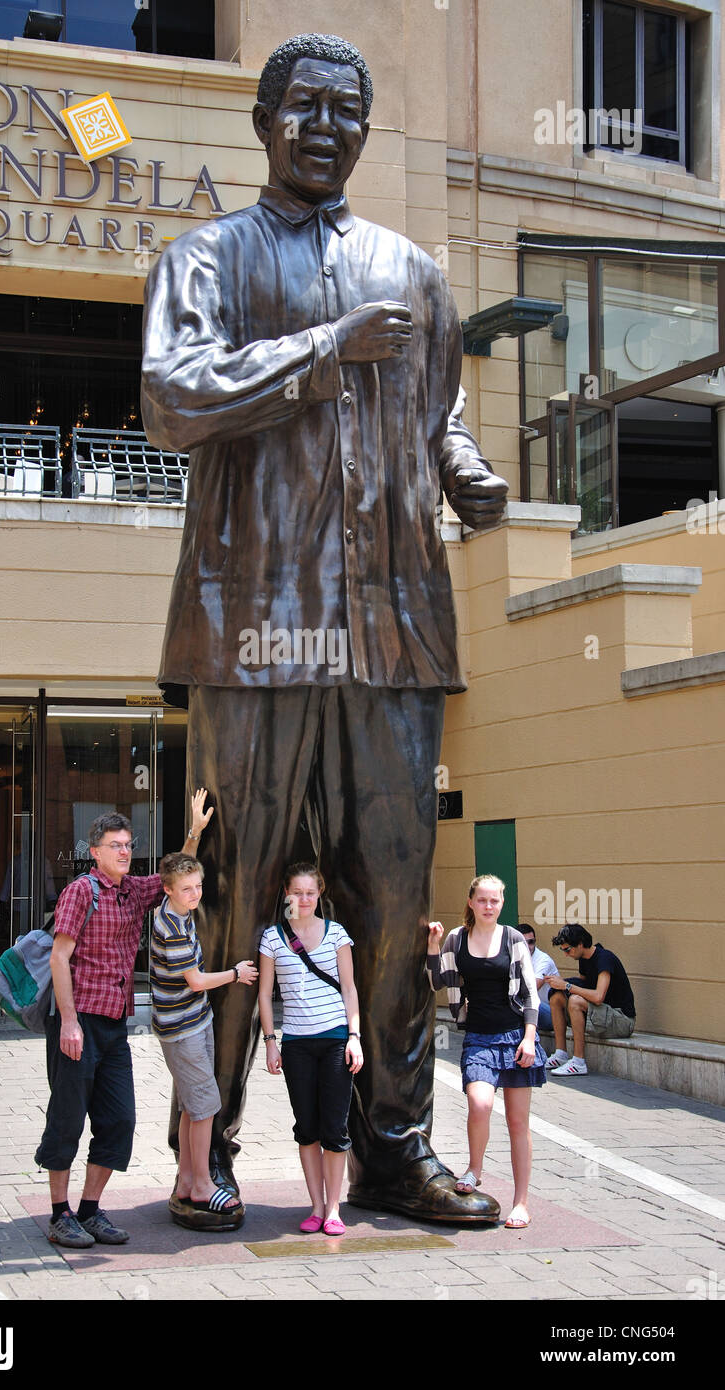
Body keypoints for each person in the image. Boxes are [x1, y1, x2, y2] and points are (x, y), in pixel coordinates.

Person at [141, 31, 507, 1225]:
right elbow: (171, 397)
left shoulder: (413, 268)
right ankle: (216, 1153)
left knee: (395, 903)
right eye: (300, 105)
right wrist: (320, 354)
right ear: (261, 118)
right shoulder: (206, 257)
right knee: (239, 893)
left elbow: (434, 410)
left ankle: (392, 1146)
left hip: (393, 635)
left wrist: (463, 470)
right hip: (250, 633)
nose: (324, 126)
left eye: (344, 110)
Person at [34, 789, 213, 1249]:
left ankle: (90, 1210)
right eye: (116, 845)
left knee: (119, 1122)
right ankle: (59, 1214)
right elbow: (59, 959)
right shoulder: (81, 891)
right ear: (95, 852)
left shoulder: (136, 891)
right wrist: (69, 1022)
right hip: (78, 1024)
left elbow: (177, 876)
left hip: (114, 1025)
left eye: (130, 844)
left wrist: (194, 829)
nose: (125, 851)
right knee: (68, 1118)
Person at [426, 875, 547, 1230]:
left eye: (494, 901)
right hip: (479, 1036)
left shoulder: (513, 939)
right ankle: (475, 1169)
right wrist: (433, 947)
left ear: (501, 903)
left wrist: (529, 1037)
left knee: (517, 1124)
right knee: (480, 1103)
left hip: (515, 1036)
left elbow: (529, 994)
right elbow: (438, 982)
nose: (489, 906)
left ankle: (521, 1202)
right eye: (482, 900)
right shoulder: (456, 939)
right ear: (471, 902)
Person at [153, 852, 258, 1231]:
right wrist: (235, 973)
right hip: (182, 1029)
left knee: (190, 1106)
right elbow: (195, 981)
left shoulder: (174, 907)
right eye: (187, 889)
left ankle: (185, 1178)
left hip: (192, 1021)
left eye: (198, 886)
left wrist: (195, 833)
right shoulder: (172, 926)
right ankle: (201, 1184)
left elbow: (180, 869)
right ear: (168, 890)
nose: (195, 894)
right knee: (205, 1108)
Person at [258, 863, 363, 1236]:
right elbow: (266, 996)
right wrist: (271, 1043)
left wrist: (355, 1036)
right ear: (286, 894)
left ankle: (334, 1208)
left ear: (320, 894)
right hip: (297, 1043)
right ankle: (315, 1206)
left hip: (335, 1038)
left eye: (310, 892)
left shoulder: (337, 934)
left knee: (335, 1128)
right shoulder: (272, 938)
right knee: (307, 1128)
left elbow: (349, 989)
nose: (303, 899)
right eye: (297, 892)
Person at [544, 924, 636, 1076]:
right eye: (563, 950)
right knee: (557, 996)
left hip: (622, 1020)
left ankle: (579, 1062)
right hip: (603, 1016)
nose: (566, 954)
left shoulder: (604, 958)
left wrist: (567, 985)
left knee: (574, 1000)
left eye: (568, 949)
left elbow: (598, 997)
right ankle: (560, 1054)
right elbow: (583, 987)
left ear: (580, 944)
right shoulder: (584, 959)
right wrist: (560, 986)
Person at [518, 923, 559, 1033]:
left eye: (531, 942)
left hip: (551, 1014)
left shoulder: (543, 960)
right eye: (523, 943)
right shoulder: (513, 957)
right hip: (529, 1009)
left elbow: (531, 990)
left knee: (523, 1002)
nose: (528, 946)